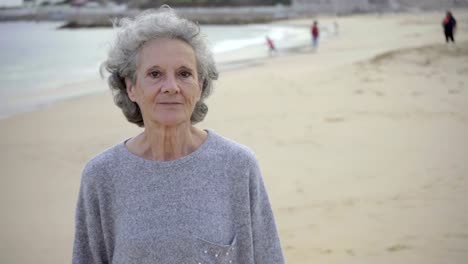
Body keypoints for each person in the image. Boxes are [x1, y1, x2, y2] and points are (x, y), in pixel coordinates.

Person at [72, 6, 285, 264]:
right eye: (155, 74)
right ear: (130, 87)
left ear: (200, 86)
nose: (171, 87)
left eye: (184, 74)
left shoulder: (238, 165)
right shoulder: (101, 176)